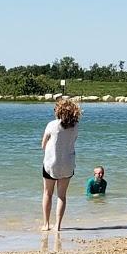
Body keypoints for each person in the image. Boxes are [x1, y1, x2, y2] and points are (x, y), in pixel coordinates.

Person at [40, 97, 82, 231]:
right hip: (68, 163)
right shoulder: (75, 127)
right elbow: (73, 141)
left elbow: (43, 145)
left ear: (59, 111)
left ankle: (46, 224)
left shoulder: (52, 125)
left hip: (51, 163)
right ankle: (57, 226)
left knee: (47, 193)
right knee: (62, 195)